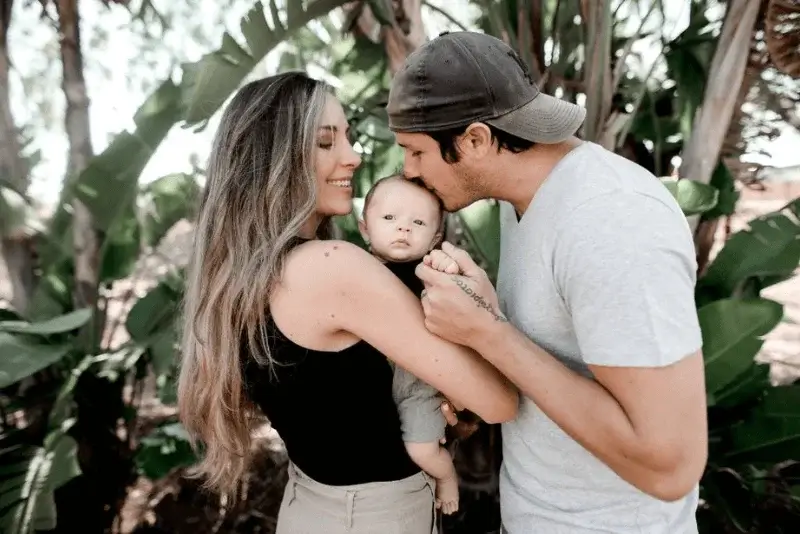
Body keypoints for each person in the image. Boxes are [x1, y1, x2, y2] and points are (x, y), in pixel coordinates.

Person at [386, 31, 708, 533]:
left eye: (414, 152)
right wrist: (486, 343)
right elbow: (560, 364)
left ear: (475, 139)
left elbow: (670, 466)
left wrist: (490, 333)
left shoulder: (611, 220)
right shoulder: (528, 200)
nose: (407, 172)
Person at [176, 71, 518, 534]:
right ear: (275, 159)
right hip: (373, 516)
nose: (353, 157)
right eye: (325, 142)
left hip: (313, 503)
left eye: (348, 139)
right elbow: (498, 402)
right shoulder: (332, 266)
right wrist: (486, 309)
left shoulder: (243, 276)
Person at [358, 175, 460, 515]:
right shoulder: (357, 270)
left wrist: (447, 267)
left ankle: (447, 478)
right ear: (365, 228)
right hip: (376, 383)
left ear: (435, 238)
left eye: (418, 223)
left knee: (422, 449)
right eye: (389, 219)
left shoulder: (427, 271)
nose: (403, 229)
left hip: (420, 383)